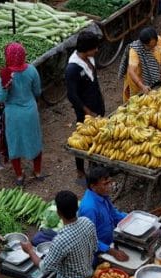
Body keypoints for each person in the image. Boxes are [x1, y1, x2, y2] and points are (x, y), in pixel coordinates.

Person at [0, 42, 45, 186]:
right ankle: (37, 172)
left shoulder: (5, 75)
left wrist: (5, 88)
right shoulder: (31, 70)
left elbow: (0, 99)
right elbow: (37, 91)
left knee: (14, 143)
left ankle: (19, 175)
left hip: (13, 114)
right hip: (30, 112)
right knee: (34, 140)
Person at [65, 31, 105, 184]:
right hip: (85, 111)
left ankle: (95, 167)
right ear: (86, 49)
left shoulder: (90, 59)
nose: (97, 50)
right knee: (82, 139)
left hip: (97, 105)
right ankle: (80, 172)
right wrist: (87, 112)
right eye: (94, 48)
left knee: (97, 136)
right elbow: (72, 95)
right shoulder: (72, 69)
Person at [78, 167, 128, 261]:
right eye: (105, 184)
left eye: (110, 182)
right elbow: (89, 239)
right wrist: (113, 252)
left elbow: (114, 214)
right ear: (93, 186)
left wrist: (131, 219)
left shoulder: (103, 195)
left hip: (109, 243)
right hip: (95, 254)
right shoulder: (89, 208)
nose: (110, 186)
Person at [118, 26, 161, 102]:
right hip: (138, 78)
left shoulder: (159, 40)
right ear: (143, 44)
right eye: (149, 47)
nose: (152, 48)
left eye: (154, 46)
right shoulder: (135, 50)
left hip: (154, 73)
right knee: (139, 101)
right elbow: (131, 71)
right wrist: (142, 86)